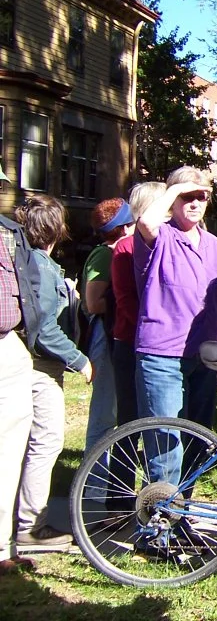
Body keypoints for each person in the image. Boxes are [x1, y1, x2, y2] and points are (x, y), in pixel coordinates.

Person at [134, 167, 217, 483]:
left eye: (201, 196)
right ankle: (161, 513)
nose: (194, 203)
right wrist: (175, 189)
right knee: (166, 447)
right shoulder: (160, 236)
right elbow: (146, 222)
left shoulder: (215, 246)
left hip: (203, 358)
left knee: (197, 443)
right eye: (186, 196)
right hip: (162, 356)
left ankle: (182, 509)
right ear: (172, 200)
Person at [13, 195, 93, 551]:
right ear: (56, 229)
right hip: (40, 368)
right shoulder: (41, 269)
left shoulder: (24, 261)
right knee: (46, 441)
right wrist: (80, 360)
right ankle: (31, 524)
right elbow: (44, 329)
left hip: (26, 363)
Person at [0, 167, 46, 574]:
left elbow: (28, 287)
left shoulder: (9, 233)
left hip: (8, 347)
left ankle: (2, 547)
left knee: (10, 449)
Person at [109, 182, 166, 429]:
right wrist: (153, 329)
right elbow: (124, 299)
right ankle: (126, 456)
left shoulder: (173, 242)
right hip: (131, 339)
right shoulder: (126, 246)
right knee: (130, 413)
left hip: (167, 342)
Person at [82, 197, 136, 455]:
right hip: (103, 334)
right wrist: (125, 299)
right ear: (124, 227)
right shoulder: (105, 255)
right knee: (104, 408)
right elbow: (93, 303)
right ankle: (94, 475)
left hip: (113, 330)